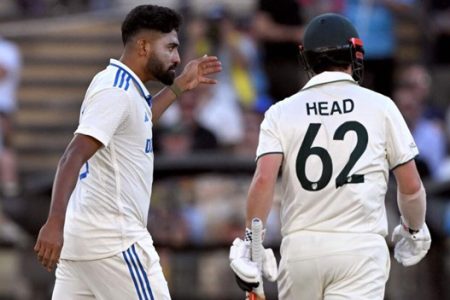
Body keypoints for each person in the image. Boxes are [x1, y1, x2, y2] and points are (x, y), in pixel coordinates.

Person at [229, 13, 431, 300]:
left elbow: (263, 181)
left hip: (300, 250)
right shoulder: (381, 106)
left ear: (306, 59)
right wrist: (412, 229)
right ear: (354, 54)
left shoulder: (280, 112)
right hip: (359, 248)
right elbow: (411, 187)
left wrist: (252, 245)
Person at [33, 5, 221, 299]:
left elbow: (139, 120)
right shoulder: (117, 91)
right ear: (143, 46)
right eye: (170, 47)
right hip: (115, 241)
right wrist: (53, 222)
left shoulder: (120, 85)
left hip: (83, 242)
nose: (177, 57)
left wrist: (181, 85)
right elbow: (73, 155)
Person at [0, 36, 21, 198]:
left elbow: (3, 72)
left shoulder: (7, 49)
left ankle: (9, 188)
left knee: (4, 149)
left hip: (3, 107)